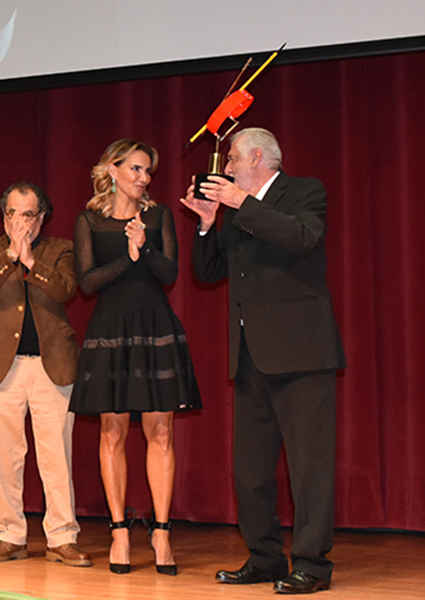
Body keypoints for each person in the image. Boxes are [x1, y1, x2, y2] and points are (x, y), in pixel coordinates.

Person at [181, 127, 345, 595]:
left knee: (309, 468)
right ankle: (265, 557)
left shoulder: (304, 191)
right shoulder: (236, 210)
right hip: (251, 354)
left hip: (303, 351)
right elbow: (208, 272)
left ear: (257, 158)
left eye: (232, 158)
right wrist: (207, 223)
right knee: (250, 470)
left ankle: (312, 565)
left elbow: (302, 237)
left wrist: (240, 203)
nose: (226, 167)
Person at [69, 139, 201, 576]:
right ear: (113, 169)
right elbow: (87, 282)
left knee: (161, 431)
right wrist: (128, 257)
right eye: (136, 169)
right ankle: (119, 532)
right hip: (110, 331)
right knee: (112, 432)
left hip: (154, 326)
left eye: (148, 171)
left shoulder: (159, 217)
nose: (144, 178)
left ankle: (161, 533)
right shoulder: (88, 221)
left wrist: (144, 246)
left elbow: (170, 274)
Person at [0, 182, 90, 567]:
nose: (20, 222)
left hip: (53, 365)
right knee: (5, 456)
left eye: (28, 214)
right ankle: (10, 535)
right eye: (13, 213)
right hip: (1, 367)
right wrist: (10, 256)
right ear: (4, 217)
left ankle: (62, 537)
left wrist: (30, 261)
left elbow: (66, 289)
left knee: (56, 455)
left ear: (41, 218)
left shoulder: (60, 248)